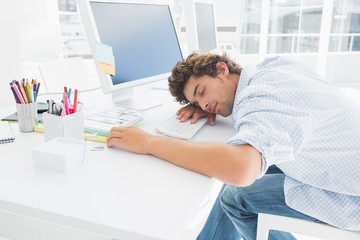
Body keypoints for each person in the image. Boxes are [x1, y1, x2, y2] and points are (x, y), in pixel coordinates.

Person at [107, 52, 360, 239]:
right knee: (229, 181)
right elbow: (268, 116)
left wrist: (150, 142)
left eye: (202, 91)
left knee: (236, 196)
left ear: (221, 69)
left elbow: (241, 168)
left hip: (353, 195)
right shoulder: (272, 69)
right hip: (341, 165)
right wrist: (215, 107)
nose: (204, 104)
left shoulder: (261, 98)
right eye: (197, 101)